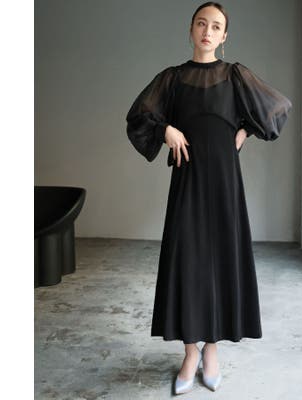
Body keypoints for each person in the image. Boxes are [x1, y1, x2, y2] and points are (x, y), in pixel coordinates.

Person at [125, 1, 292, 395]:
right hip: (187, 180)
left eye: (216, 26)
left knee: (221, 260)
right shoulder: (172, 78)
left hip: (224, 182)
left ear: (224, 36)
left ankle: (212, 350)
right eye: (201, 23)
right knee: (186, 262)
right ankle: (190, 352)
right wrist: (165, 130)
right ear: (191, 30)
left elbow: (277, 108)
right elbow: (138, 118)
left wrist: (245, 130)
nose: (208, 31)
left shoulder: (235, 75)